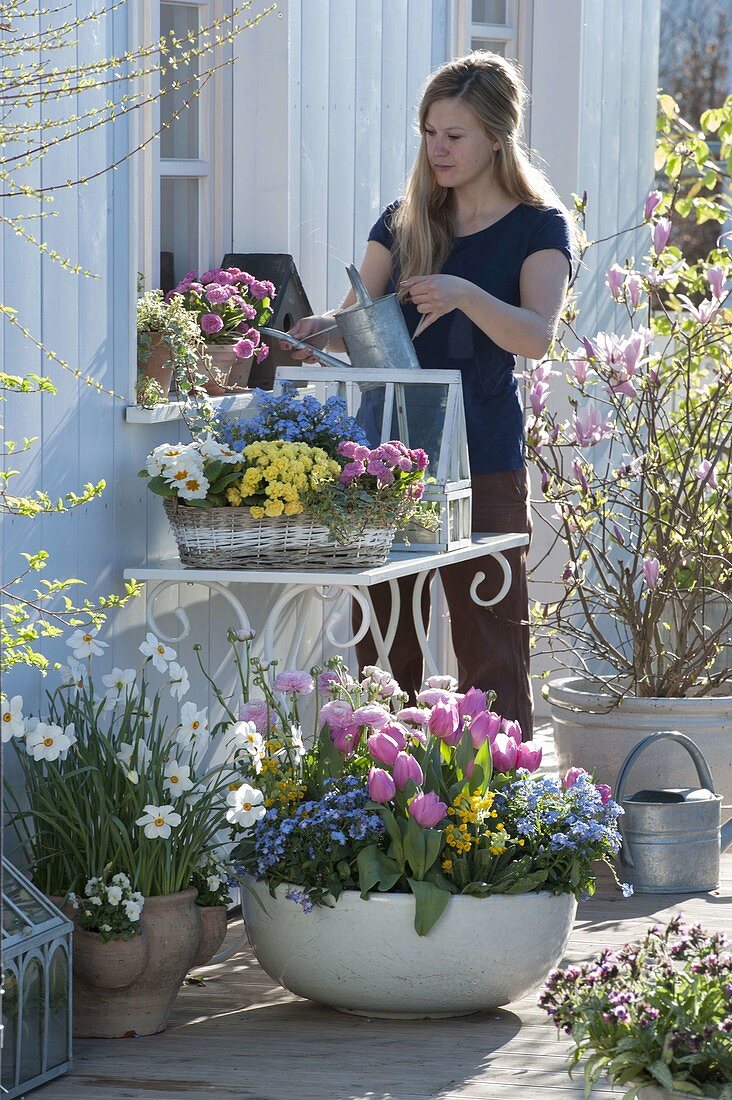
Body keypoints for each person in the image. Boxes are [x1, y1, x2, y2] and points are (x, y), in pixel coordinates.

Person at [286, 51, 572, 740]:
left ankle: (497, 812)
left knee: (490, 643)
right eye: (429, 133)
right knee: (382, 641)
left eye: (455, 136)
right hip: (384, 459)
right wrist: (320, 329)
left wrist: (465, 294)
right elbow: (357, 319)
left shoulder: (539, 227)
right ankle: (381, 797)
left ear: (497, 140)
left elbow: (537, 337)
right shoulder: (403, 220)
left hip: (483, 453)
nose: (437, 149)